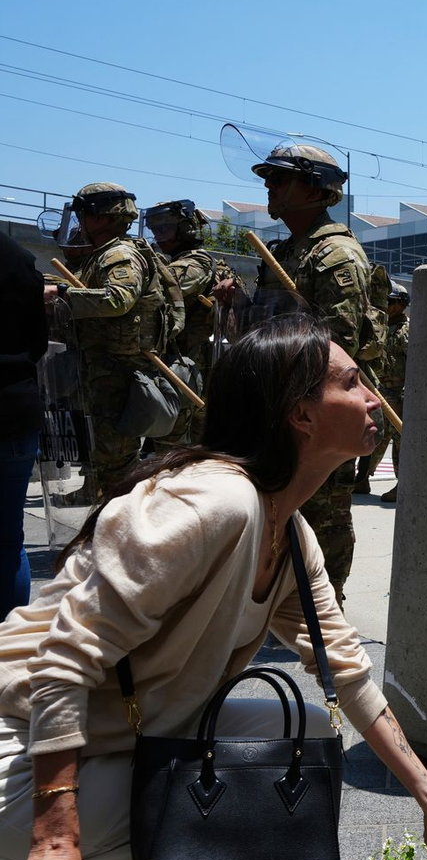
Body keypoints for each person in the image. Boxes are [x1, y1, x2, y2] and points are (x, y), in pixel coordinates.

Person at [0, 313, 427, 860]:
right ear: (302, 414)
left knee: (299, 746)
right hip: (18, 747)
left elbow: (345, 671)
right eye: (352, 381)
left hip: (108, 739)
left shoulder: (289, 527)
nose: (374, 395)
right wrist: (56, 842)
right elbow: (67, 657)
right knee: (235, 811)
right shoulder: (215, 502)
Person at [218, 143, 386, 606]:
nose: (268, 187)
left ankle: (322, 607)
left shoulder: (334, 255)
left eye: (278, 179)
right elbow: (267, 330)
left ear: (312, 189)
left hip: (320, 407)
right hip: (282, 402)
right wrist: (239, 306)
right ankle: (281, 597)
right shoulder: (287, 251)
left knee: (324, 509)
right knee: (281, 502)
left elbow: (341, 342)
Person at [41, 183, 177, 504]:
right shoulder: (102, 253)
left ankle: (127, 526)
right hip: (101, 371)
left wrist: (61, 296)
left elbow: (119, 299)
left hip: (115, 375)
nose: (78, 223)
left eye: (83, 215)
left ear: (101, 218)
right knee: (104, 456)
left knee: (116, 463)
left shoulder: (119, 254)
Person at [143, 199, 221, 444]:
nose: (158, 236)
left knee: (181, 442)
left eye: (164, 229)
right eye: (154, 230)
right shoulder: (169, 260)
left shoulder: (196, 261)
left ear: (185, 229)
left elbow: (165, 286)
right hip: (178, 363)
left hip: (192, 366)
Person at [1, 232, 48, 619]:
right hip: (16, 407)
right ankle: (8, 645)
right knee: (9, 541)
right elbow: (38, 343)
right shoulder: (19, 257)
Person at [355, 279, 409, 503]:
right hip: (382, 390)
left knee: (399, 440)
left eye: (390, 301)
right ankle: (362, 478)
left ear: (400, 305)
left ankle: (402, 485)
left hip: (398, 392)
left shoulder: (406, 330)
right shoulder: (383, 328)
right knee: (375, 436)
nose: (385, 305)